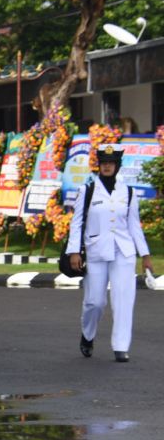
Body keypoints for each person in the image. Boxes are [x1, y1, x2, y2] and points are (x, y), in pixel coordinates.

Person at [67, 144, 154, 362]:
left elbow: (134, 226)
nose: (107, 166)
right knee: (95, 302)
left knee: (123, 300)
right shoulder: (87, 190)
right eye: (104, 163)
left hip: (123, 252)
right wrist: (74, 251)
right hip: (96, 251)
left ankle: (121, 346)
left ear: (117, 166)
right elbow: (76, 223)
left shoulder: (128, 192)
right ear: (99, 165)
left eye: (111, 163)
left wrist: (145, 255)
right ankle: (88, 335)